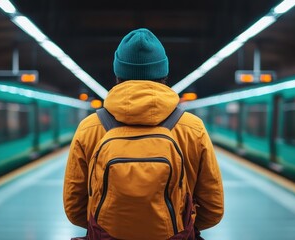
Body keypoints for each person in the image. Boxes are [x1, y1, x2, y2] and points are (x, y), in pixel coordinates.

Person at [63, 28, 224, 239]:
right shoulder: (192, 128)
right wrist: (182, 225)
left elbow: (75, 208)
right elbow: (213, 209)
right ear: (164, 75)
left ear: (118, 75)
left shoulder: (90, 128)